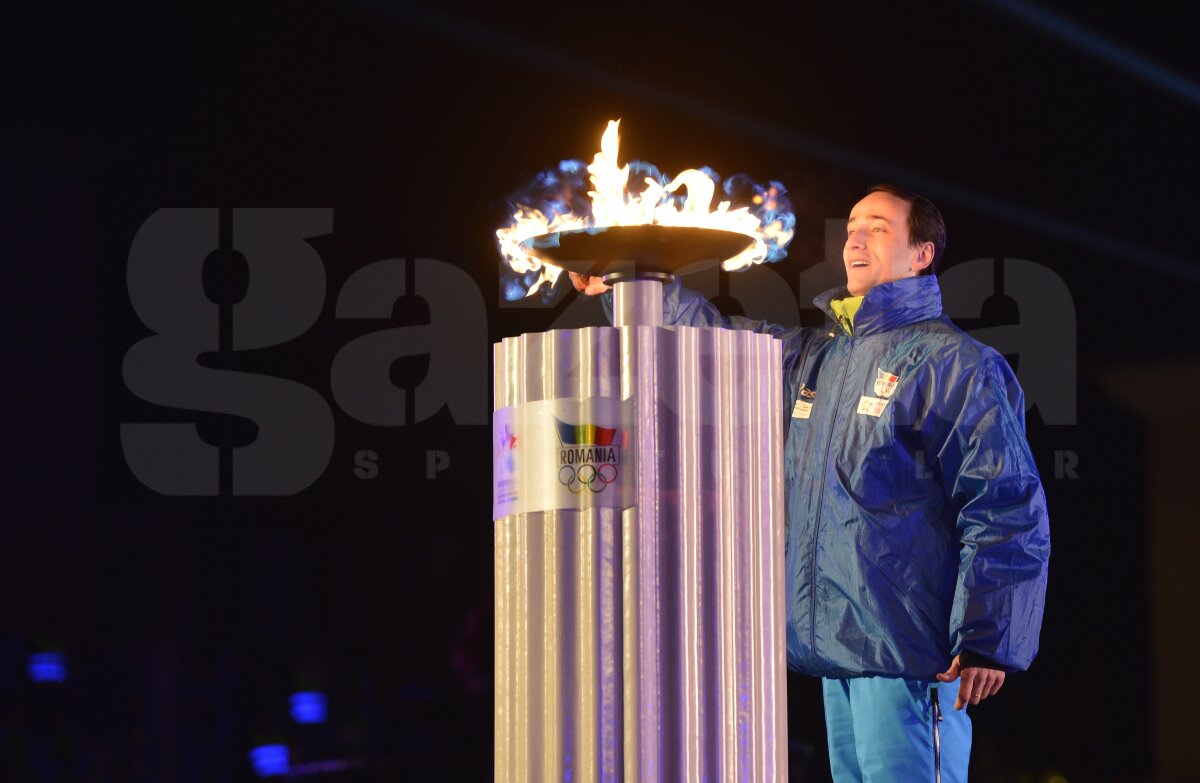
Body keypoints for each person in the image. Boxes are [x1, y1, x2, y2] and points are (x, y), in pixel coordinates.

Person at [570, 184, 1050, 782]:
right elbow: (712, 346)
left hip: (912, 654)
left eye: (877, 226)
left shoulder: (955, 363)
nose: (855, 236)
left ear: (922, 254)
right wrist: (631, 287)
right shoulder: (816, 359)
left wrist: (986, 635)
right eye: (851, 225)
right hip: (836, 652)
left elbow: (1004, 500)